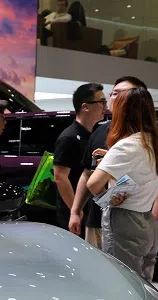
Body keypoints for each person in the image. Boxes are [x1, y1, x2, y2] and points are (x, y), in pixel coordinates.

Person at [70, 76, 158, 248]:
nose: (115, 98)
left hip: (127, 217)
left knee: (119, 264)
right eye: (113, 93)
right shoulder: (101, 131)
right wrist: (75, 211)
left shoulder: (150, 139)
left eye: (122, 94)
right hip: (104, 218)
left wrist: (157, 217)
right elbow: (87, 174)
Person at [87, 87, 158, 280]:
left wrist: (106, 198)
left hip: (124, 222)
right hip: (147, 220)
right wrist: (111, 158)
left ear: (123, 113)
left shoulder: (126, 146)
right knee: (143, 284)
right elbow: (139, 171)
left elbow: (93, 184)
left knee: (122, 283)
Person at [52, 83, 106, 231]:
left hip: (89, 207)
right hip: (74, 211)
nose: (105, 106)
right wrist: (75, 211)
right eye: (101, 102)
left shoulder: (93, 135)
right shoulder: (69, 137)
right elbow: (60, 177)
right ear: (85, 107)